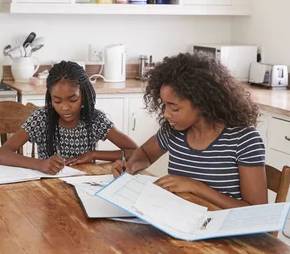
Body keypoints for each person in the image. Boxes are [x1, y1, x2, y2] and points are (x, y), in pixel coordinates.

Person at [112, 53, 267, 209]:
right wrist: (130, 166)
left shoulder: (244, 139)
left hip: (225, 229)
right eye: (164, 105)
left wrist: (195, 187)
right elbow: (145, 154)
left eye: (174, 107)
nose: (166, 113)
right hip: (180, 221)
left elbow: (256, 211)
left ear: (201, 103)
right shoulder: (173, 131)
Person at [0, 61, 138, 174]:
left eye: (73, 100)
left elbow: (134, 152)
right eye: (57, 101)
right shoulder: (41, 119)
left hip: (85, 186)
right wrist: (40, 164)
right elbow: (0, 155)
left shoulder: (94, 119)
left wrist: (93, 154)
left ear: (83, 95)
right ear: (50, 98)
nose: (65, 107)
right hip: (48, 189)